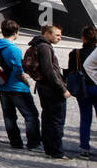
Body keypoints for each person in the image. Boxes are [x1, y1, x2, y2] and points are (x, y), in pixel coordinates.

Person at [0, 19, 40, 151]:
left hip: (2, 86)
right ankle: (33, 143)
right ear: (16, 32)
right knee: (31, 115)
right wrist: (27, 82)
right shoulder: (13, 49)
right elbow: (18, 71)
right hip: (17, 87)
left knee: (9, 116)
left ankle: (15, 142)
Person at [29, 24, 70, 158]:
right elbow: (49, 71)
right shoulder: (45, 47)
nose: (60, 38)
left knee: (47, 118)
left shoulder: (39, 45)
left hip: (43, 87)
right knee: (56, 121)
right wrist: (62, 89)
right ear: (47, 34)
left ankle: (49, 148)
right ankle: (56, 151)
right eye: (57, 35)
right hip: (52, 89)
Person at [65, 25, 97, 158]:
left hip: (82, 89)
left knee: (85, 118)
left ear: (83, 38)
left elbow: (70, 71)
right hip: (95, 87)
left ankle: (84, 148)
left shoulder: (75, 53)